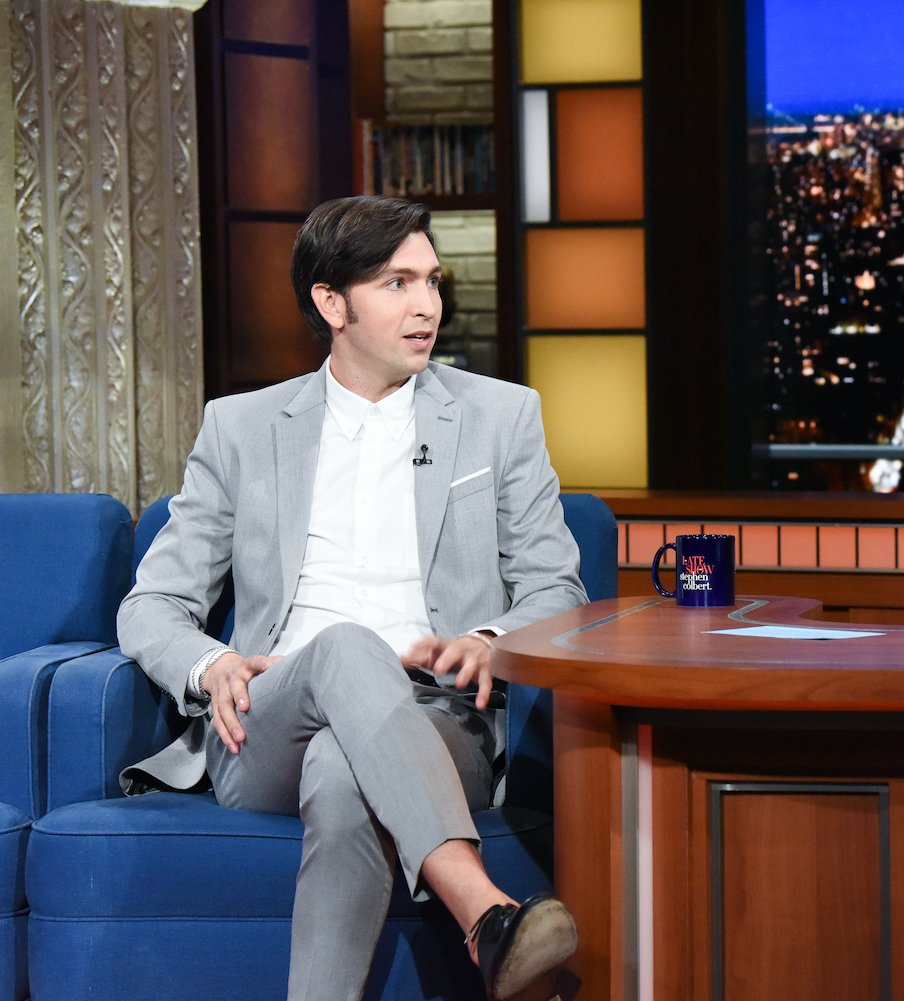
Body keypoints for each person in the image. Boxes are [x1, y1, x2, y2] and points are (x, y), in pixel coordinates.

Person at [118, 195, 586, 1000]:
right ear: (331, 303)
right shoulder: (242, 428)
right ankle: (485, 911)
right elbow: (151, 603)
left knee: (343, 773)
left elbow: (558, 587)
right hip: (266, 722)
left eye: (433, 282)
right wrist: (211, 664)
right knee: (341, 645)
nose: (427, 306)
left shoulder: (501, 417)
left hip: (441, 718)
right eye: (398, 283)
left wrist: (487, 635)